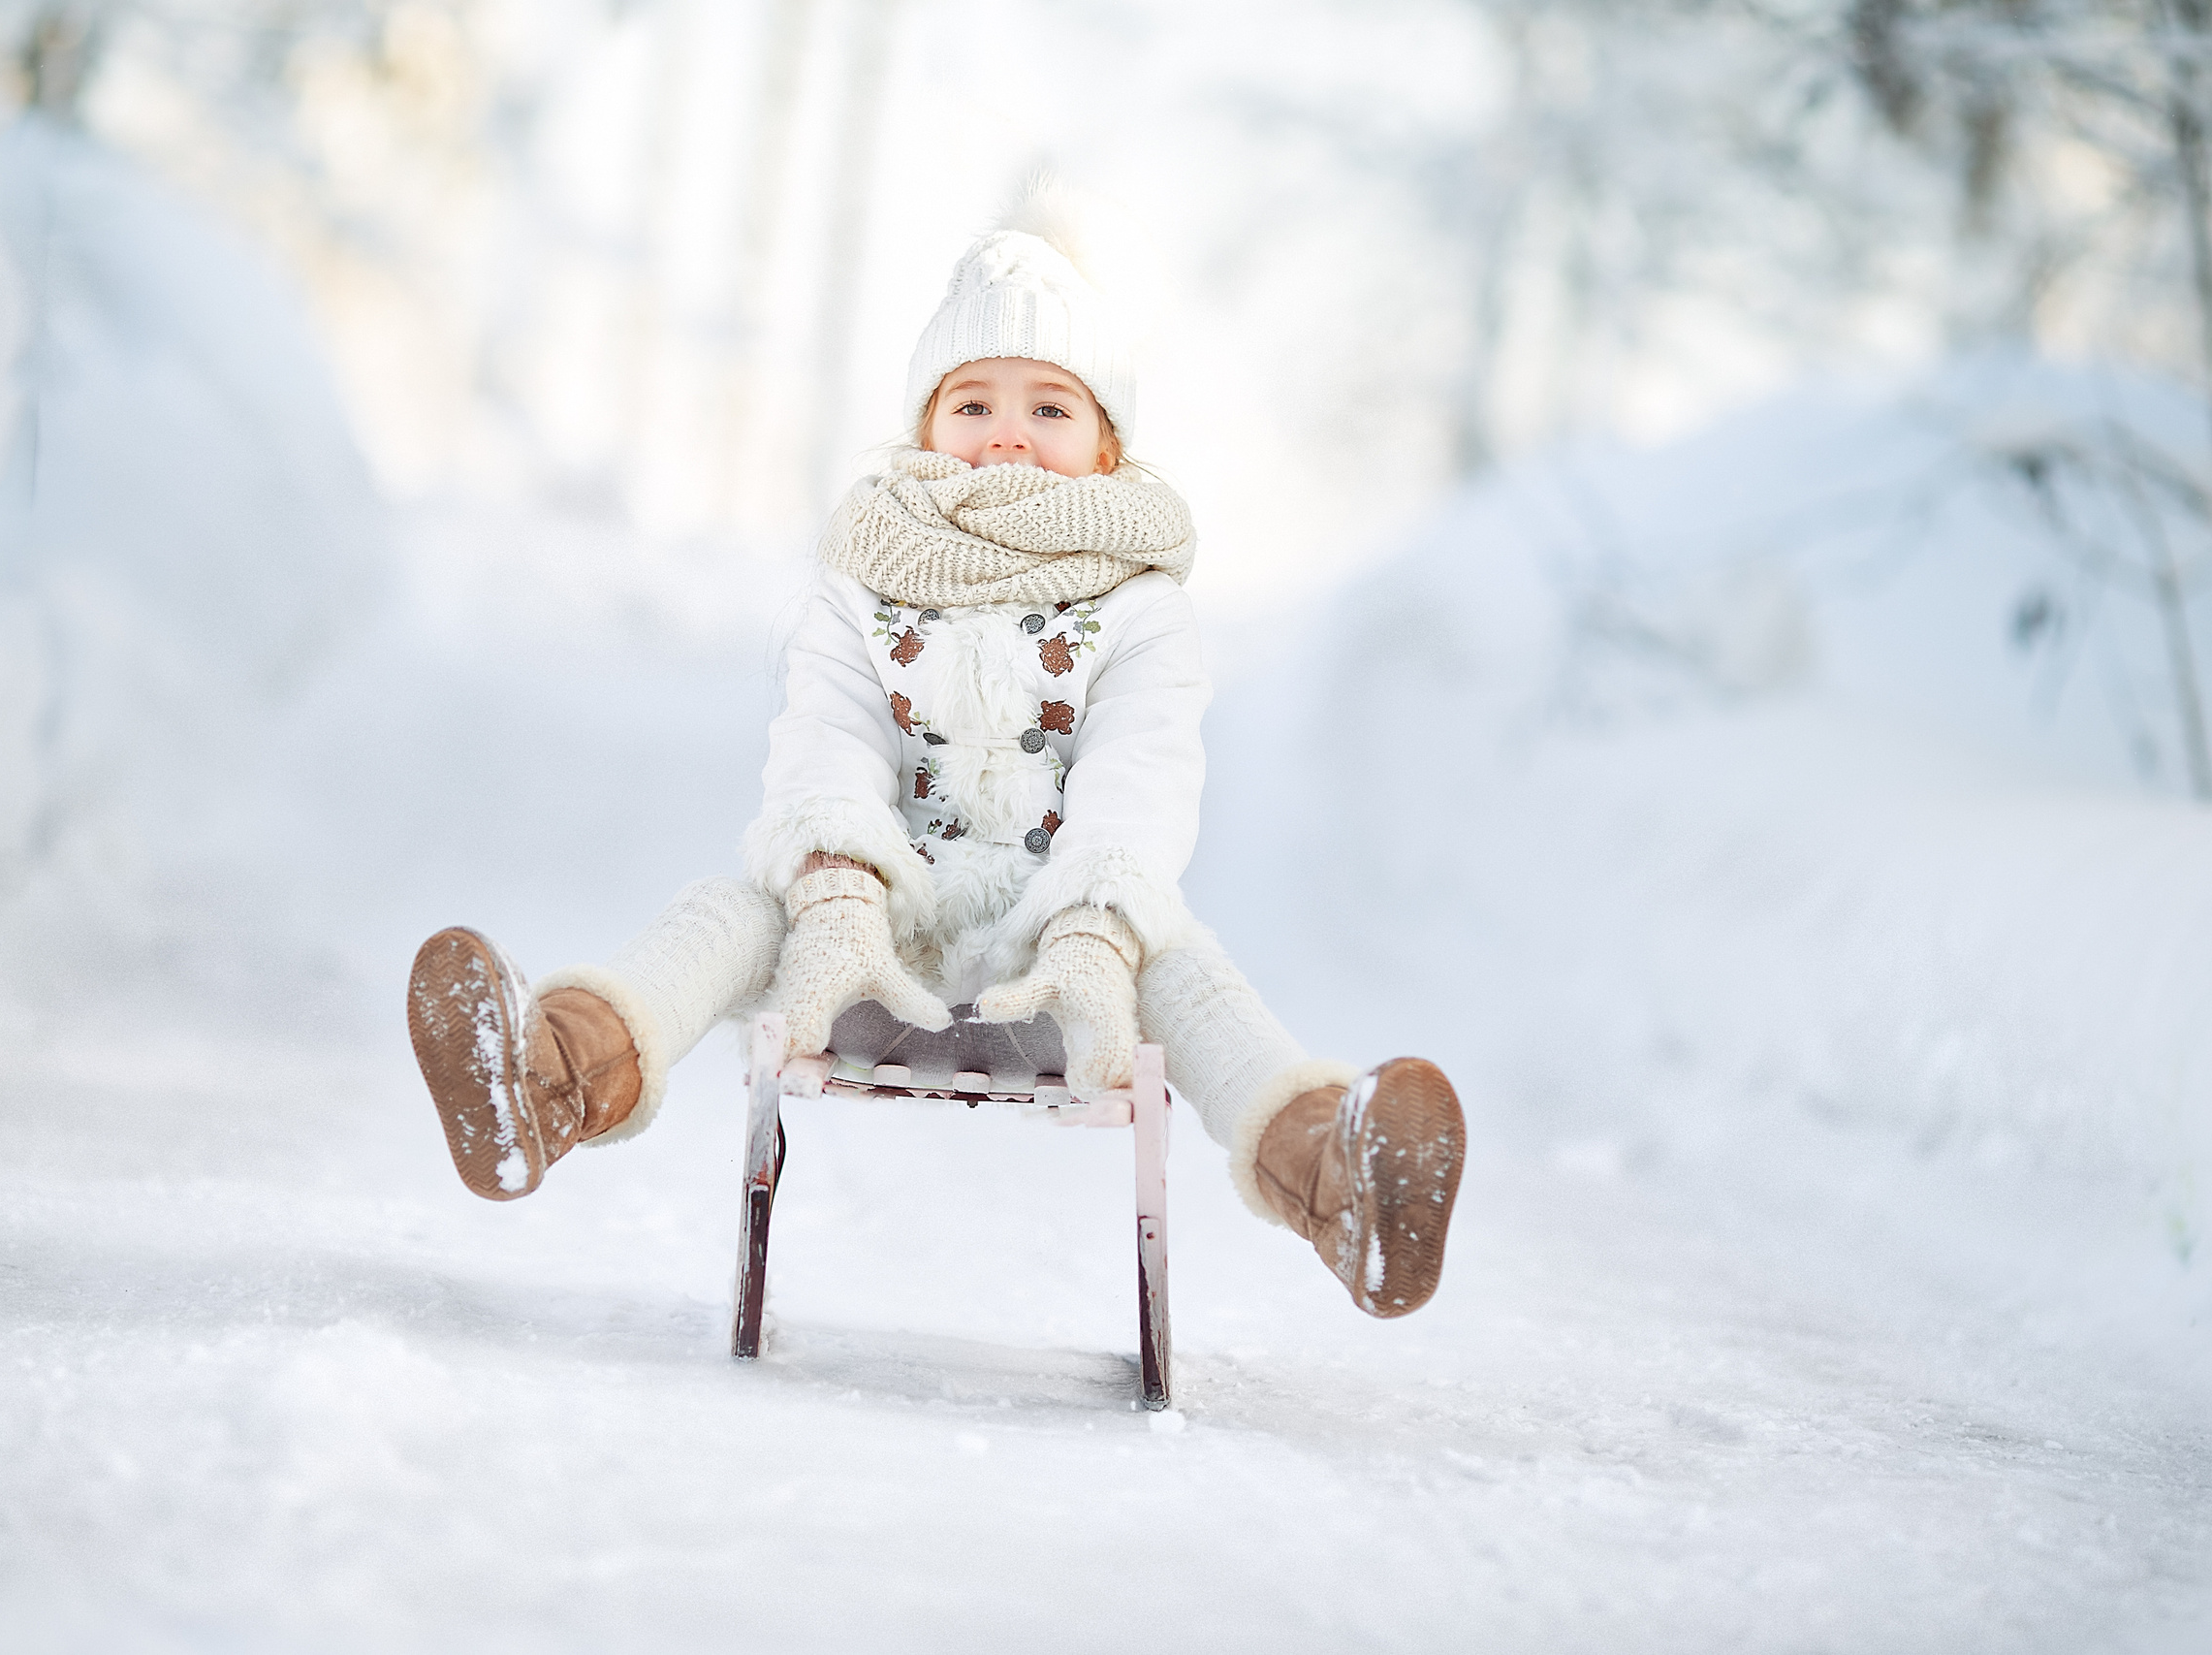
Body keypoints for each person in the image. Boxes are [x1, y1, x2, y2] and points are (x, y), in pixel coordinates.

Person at [406, 185, 1465, 1319]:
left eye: (1049, 406)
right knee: (728, 912)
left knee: (1185, 971)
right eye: (972, 402)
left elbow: (1142, 776)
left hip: (1063, 976)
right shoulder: (863, 583)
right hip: (868, 961)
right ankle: (549, 1079)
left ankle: (1334, 1178)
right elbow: (829, 737)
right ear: (924, 429)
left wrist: (1096, 931)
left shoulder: (1141, 609)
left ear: (1106, 448)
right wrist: (836, 896)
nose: (1006, 430)